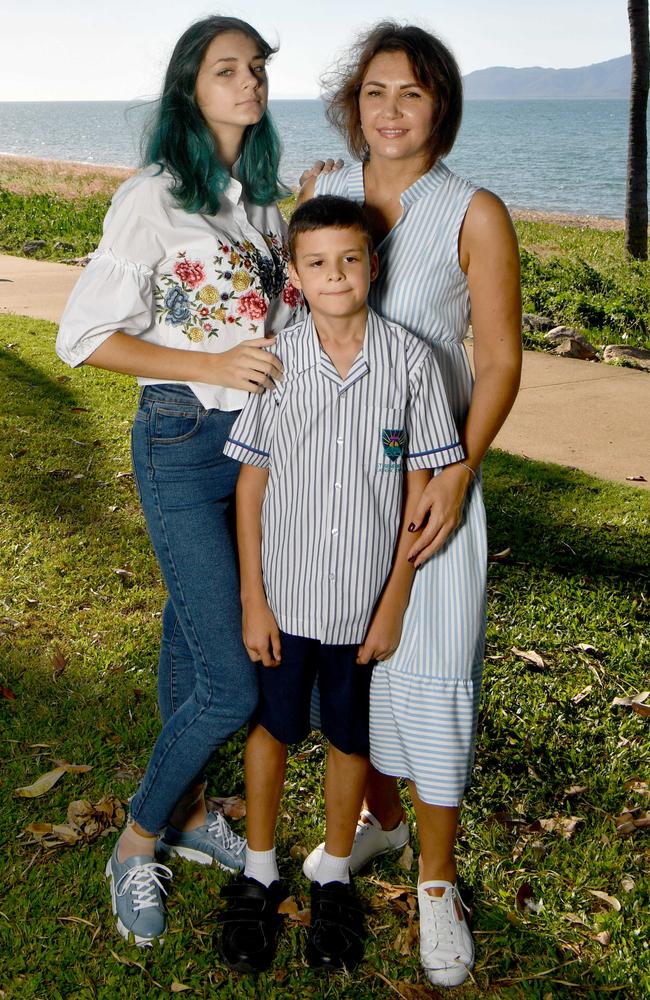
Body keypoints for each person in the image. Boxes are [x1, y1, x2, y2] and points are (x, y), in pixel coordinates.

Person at [55, 15, 300, 946]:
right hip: (182, 438)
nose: (249, 83)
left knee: (191, 642)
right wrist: (209, 365)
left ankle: (194, 817)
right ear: (189, 90)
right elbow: (82, 337)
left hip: (259, 458)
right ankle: (137, 839)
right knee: (233, 684)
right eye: (227, 70)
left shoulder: (261, 205)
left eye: (258, 69)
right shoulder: (151, 198)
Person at [300, 22, 522, 988]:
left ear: (442, 109)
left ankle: (437, 883)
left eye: (414, 94)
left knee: (430, 669)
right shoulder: (317, 195)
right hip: (332, 486)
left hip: (428, 484)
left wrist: (460, 470)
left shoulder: (474, 212)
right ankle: (381, 825)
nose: (391, 110)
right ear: (355, 103)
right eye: (376, 91)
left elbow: (502, 358)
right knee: (353, 669)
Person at [218, 195, 465, 973]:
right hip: (285, 599)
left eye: (350, 260)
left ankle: (331, 869)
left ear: (373, 266)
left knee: (349, 738)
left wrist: (395, 598)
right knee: (274, 728)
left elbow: (422, 491)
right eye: (317, 262)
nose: (336, 275)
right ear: (294, 275)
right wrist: (254, 597)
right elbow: (251, 489)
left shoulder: (411, 364)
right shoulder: (277, 360)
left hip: (363, 605)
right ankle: (259, 868)